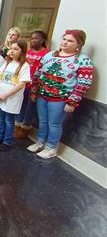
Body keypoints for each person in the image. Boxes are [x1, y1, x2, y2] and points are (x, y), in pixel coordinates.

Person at [27, 29, 94, 159]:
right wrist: (34, 90)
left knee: (54, 123)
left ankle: (51, 148)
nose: (65, 42)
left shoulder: (82, 59)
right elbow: (37, 73)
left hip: (60, 98)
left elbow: (84, 82)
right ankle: (40, 142)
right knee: (43, 121)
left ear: (78, 44)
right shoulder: (50, 55)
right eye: (64, 39)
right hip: (42, 95)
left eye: (70, 41)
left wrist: (72, 101)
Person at [0, 40, 30, 151]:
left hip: (12, 99)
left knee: (9, 121)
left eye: (16, 49)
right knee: (1, 118)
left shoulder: (24, 66)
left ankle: (7, 142)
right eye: (11, 48)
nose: (12, 51)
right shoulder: (7, 63)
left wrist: (5, 94)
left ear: (22, 52)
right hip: (1, 96)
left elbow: (21, 84)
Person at [14, 31, 49, 139]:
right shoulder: (27, 52)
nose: (33, 40)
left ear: (42, 40)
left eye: (36, 38)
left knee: (30, 108)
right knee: (21, 105)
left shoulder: (46, 54)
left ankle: (25, 128)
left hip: (35, 86)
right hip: (23, 83)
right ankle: (17, 125)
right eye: (32, 38)